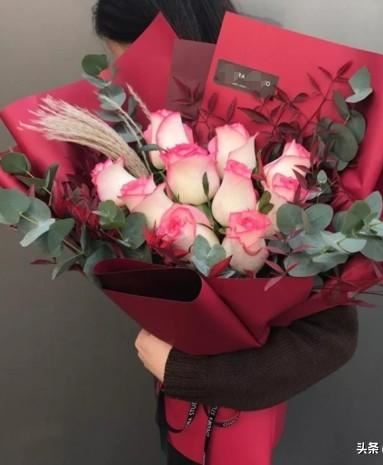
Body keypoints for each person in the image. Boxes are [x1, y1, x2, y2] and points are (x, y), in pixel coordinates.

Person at [92, 1, 359, 464]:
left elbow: (331, 338)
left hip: (232, 418)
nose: (118, 87)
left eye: (127, 66)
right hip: (177, 410)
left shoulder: (290, 150)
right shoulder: (146, 145)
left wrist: (185, 372)